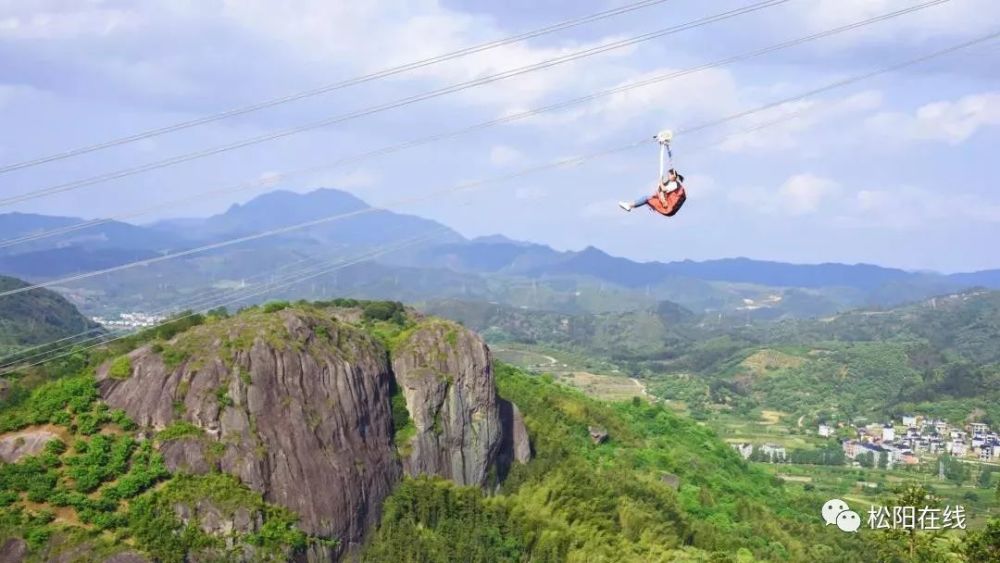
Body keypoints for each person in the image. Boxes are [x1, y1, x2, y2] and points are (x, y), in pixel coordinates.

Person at [619, 169, 685, 213]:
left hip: (669, 207)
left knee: (646, 198)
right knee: (647, 198)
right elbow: (662, 189)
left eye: (669, 175)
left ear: (673, 175)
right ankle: (629, 205)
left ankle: (629, 205)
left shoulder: (674, 184)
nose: (668, 177)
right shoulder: (670, 183)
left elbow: (664, 189)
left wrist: (660, 181)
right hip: (666, 201)